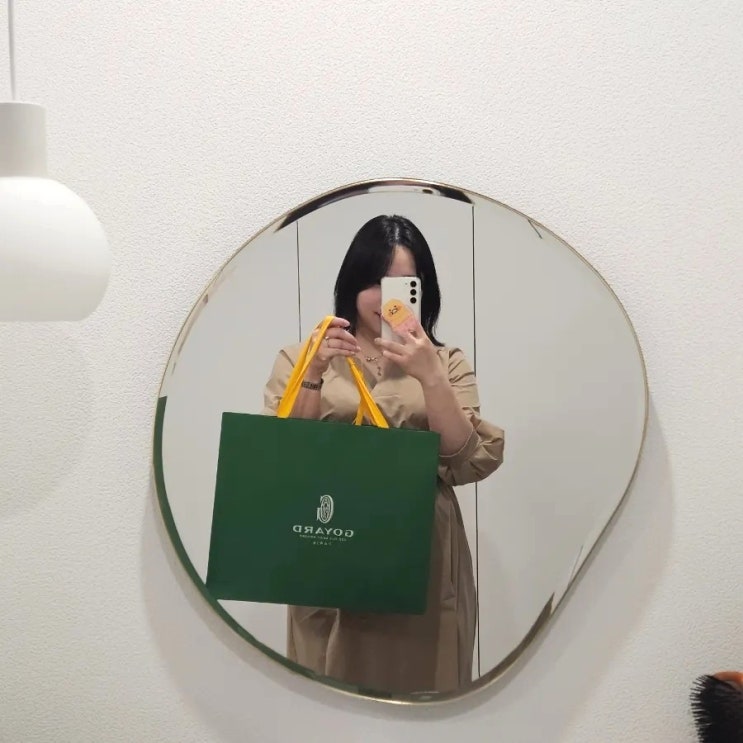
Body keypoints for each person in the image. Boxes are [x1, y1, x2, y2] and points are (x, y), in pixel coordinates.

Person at [262, 214, 504, 694]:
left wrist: (430, 377)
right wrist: (315, 372)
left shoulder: (446, 362)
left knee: (425, 687)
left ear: (422, 290)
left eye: (401, 284)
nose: (385, 298)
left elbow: (466, 459)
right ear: (352, 284)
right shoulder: (303, 357)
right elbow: (282, 456)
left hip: (422, 553)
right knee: (328, 689)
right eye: (374, 281)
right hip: (330, 545)